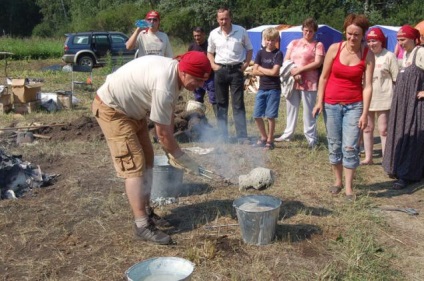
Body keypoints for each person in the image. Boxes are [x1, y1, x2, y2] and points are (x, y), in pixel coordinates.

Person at [92, 51, 211, 244]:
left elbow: (168, 117)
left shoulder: (175, 75)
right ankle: (141, 226)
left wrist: (170, 145)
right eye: (197, 80)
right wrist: (180, 156)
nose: (200, 85)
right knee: (135, 166)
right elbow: (162, 134)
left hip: (133, 113)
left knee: (148, 160)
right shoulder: (165, 84)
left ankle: (147, 213)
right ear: (185, 72)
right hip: (113, 110)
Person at [312, 14, 374, 201]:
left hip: (354, 106)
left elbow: (368, 86)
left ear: (363, 35)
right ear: (345, 31)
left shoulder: (367, 54)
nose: (352, 38)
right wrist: (319, 102)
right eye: (349, 33)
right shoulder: (334, 49)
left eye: (357, 35)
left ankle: (348, 188)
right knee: (335, 145)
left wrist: (364, 113)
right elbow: (323, 77)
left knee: (350, 147)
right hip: (331, 105)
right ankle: (337, 181)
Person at [382, 25, 424, 190]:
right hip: (402, 105)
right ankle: (399, 169)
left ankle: (408, 175)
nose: (400, 43)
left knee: (412, 137)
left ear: (414, 39)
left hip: (415, 105)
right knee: (401, 133)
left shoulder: (420, 52)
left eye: (403, 40)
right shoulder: (405, 54)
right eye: (398, 40)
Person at [274, 18, 325, 149]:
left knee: (309, 111)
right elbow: (286, 59)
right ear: (302, 30)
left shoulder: (318, 45)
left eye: (311, 31)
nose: (308, 33)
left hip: (309, 81)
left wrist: (301, 69)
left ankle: (311, 138)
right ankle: (288, 133)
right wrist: (293, 71)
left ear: (314, 32)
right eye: (306, 30)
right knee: (291, 108)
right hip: (293, 80)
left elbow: (318, 63)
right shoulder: (294, 42)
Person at [207, 7, 253, 142]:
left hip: (236, 71)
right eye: (221, 19)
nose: (223, 21)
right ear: (217, 20)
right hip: (220, 70)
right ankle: (222, 136)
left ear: (230, 18)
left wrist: (245, 65)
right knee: (221, 104)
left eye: (226, 18)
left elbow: (249, 49)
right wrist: (213, 65)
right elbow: (210, 52)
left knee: (238, 104)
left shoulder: (241, 31)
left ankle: (242, 136)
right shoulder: (213, 34)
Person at [361, 27, 399, 165]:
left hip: (384, 97)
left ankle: (386, 158)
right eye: (369, 41)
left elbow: (396, 79)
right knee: (367, 128)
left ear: (381, 41)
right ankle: (368, 158)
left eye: (374, 40)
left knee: (383, 130)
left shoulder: (389, 56)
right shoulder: (364, 56)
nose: (372, 44)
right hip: (368, 98)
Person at [251, 27, 283, 150]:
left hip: (274, 89)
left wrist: (261, 69)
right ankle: (263, 137)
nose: (269, 42)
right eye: (267, 40)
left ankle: (270, 140)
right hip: (262, 88)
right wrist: (268, 72)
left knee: (270, 116)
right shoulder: (260, 53)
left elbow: (275, 72)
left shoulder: (278, 54)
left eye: (272, 40)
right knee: (257, 115)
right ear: (264, 40)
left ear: (276, 40)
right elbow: (254, 71)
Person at [188, 27, 217, 117]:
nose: (197, 38)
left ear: (204, 34)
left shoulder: (210, 46)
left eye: (199, 35)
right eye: (195, 36)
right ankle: (200, 121)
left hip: (210, 77)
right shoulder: (192, 47)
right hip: (197, 78)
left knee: (214, 99)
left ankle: (220, 123)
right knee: (198, 99)